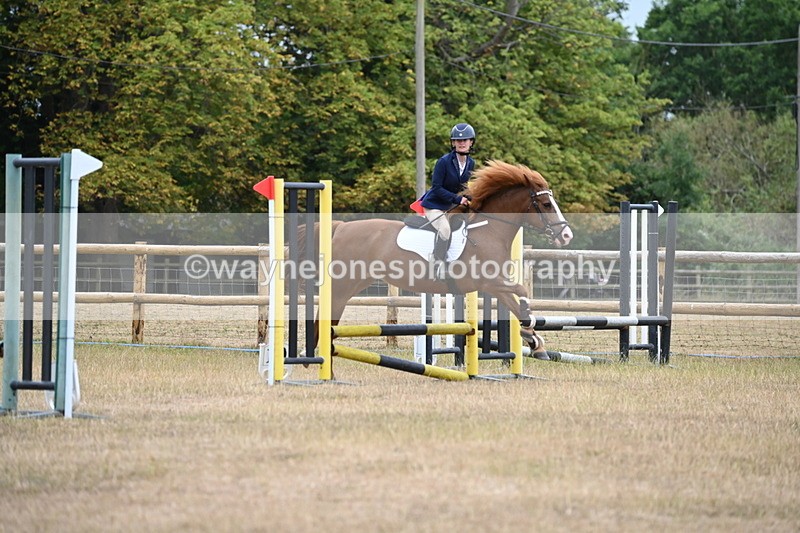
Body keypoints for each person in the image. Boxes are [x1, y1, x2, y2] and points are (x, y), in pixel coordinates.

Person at [420, 123, 475, 279]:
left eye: (465, 140)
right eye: (458, 141)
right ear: (453, 143)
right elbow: (436, 188)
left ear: (471, 142)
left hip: (451, 206)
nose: (462, 143)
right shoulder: (443, 161)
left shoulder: (471, 163)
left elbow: (464, 187)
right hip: (434, 205)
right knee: (444, 229)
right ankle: (436, 264)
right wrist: (458, 199)